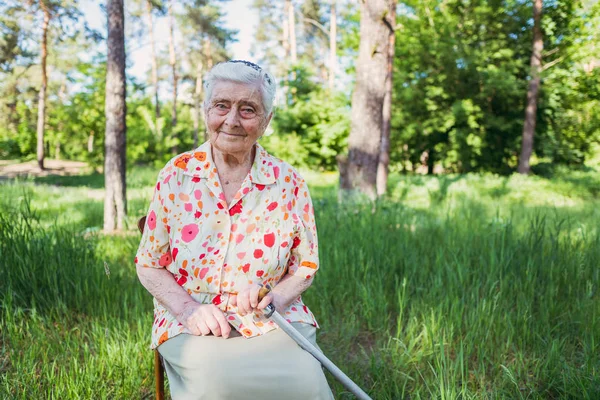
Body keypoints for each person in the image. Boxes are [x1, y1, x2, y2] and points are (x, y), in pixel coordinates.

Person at [135, 60, 334, 400]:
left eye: (248, 109)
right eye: (222, 106)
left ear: (266, 121)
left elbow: (306, 266)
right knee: (219, 386)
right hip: (193, 316)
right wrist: (187, 309)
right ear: (206, 111)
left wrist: (278, 296)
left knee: (307, 388)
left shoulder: (288, 182)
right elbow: (148, 263)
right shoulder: (176, 174)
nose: (231, 120)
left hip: (271, 318)